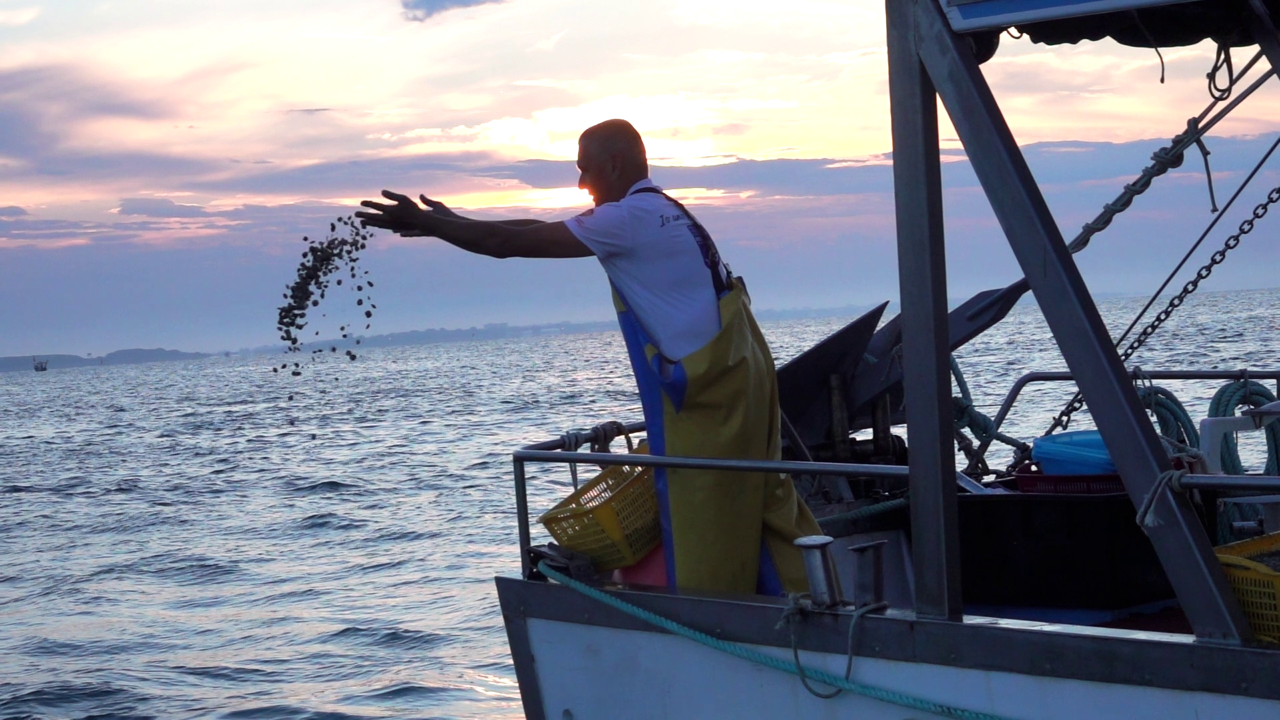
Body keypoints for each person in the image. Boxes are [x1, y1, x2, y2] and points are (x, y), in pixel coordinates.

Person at [356, 119, 820, 595]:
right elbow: (531, 228)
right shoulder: (663, 210)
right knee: (762, 497)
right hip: (743, 383)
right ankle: (804, 596)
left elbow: (507, 245)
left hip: (709, 403)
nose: (581, 184)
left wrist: (429, 223)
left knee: (706, 516)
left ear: (614, 164)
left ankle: (720, 618)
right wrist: (450, 222)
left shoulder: (627, 221)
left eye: (585, 170)